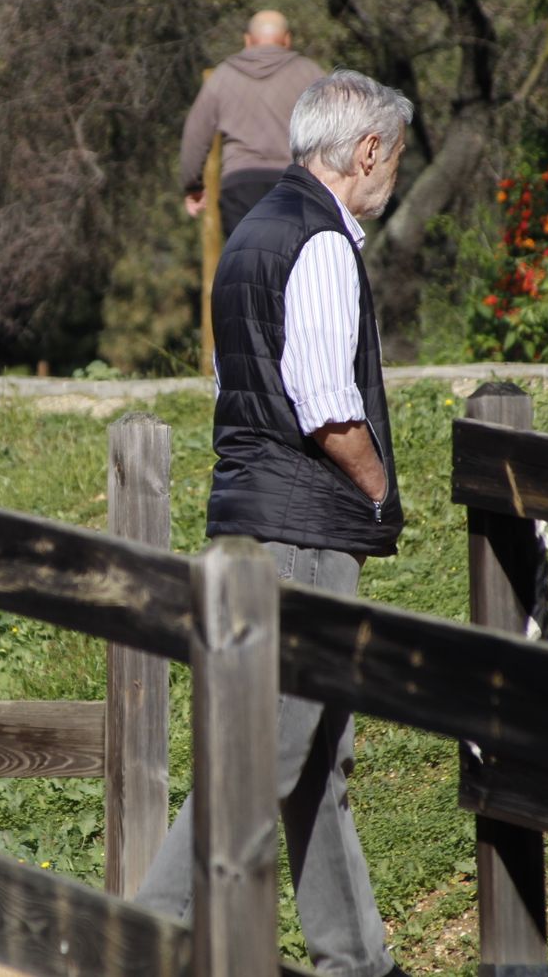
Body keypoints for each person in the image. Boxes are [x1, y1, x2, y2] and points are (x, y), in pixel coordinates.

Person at [136, 69, 414, 977]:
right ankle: (147, 939)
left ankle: (357, 961)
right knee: (263, 756)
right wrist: (379, 493)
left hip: (251, 520)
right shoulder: (322, 240)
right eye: (395, 159)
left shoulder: (253, 231)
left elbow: (235, 383)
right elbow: (329, 409)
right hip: (303, 535)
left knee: (316, 755)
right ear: (366, 150)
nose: (393, 177)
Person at [179, 10, 325, 237]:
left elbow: (195, 134)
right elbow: (336, 127)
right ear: (287, 39)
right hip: (295, 185)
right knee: (293, 256)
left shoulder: (223, 76)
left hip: (240, 186)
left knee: (247, 256)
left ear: (247, 40)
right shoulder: (310, 74)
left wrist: (193, 185)